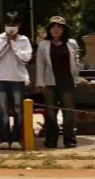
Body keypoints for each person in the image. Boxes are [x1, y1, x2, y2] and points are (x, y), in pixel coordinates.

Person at [0, 13, 33, 150]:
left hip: (18, 79)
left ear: (18, 26)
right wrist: (6, 43)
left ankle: (16, 138)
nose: (11, 28)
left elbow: (24, 59)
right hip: (0, 78)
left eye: (14, 25)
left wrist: (13, 43)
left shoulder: (23, 40)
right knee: (3, 109)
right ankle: (5, 138)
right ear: (4, 26)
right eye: (9, 25)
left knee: (18, 109)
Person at [34, 16, 81, 148]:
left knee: (69, 112)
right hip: (49, 82)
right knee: (50, 112)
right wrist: (40, 83)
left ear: (64, 29)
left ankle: (69, 139)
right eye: (53, 27)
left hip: (67, 80)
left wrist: (76, 79)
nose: (56, 30)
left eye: (59, 27)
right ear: (49, 29)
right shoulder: (43, 45)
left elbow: (76, 62)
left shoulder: (72, 43)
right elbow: (40, 65)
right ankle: (51, 139)